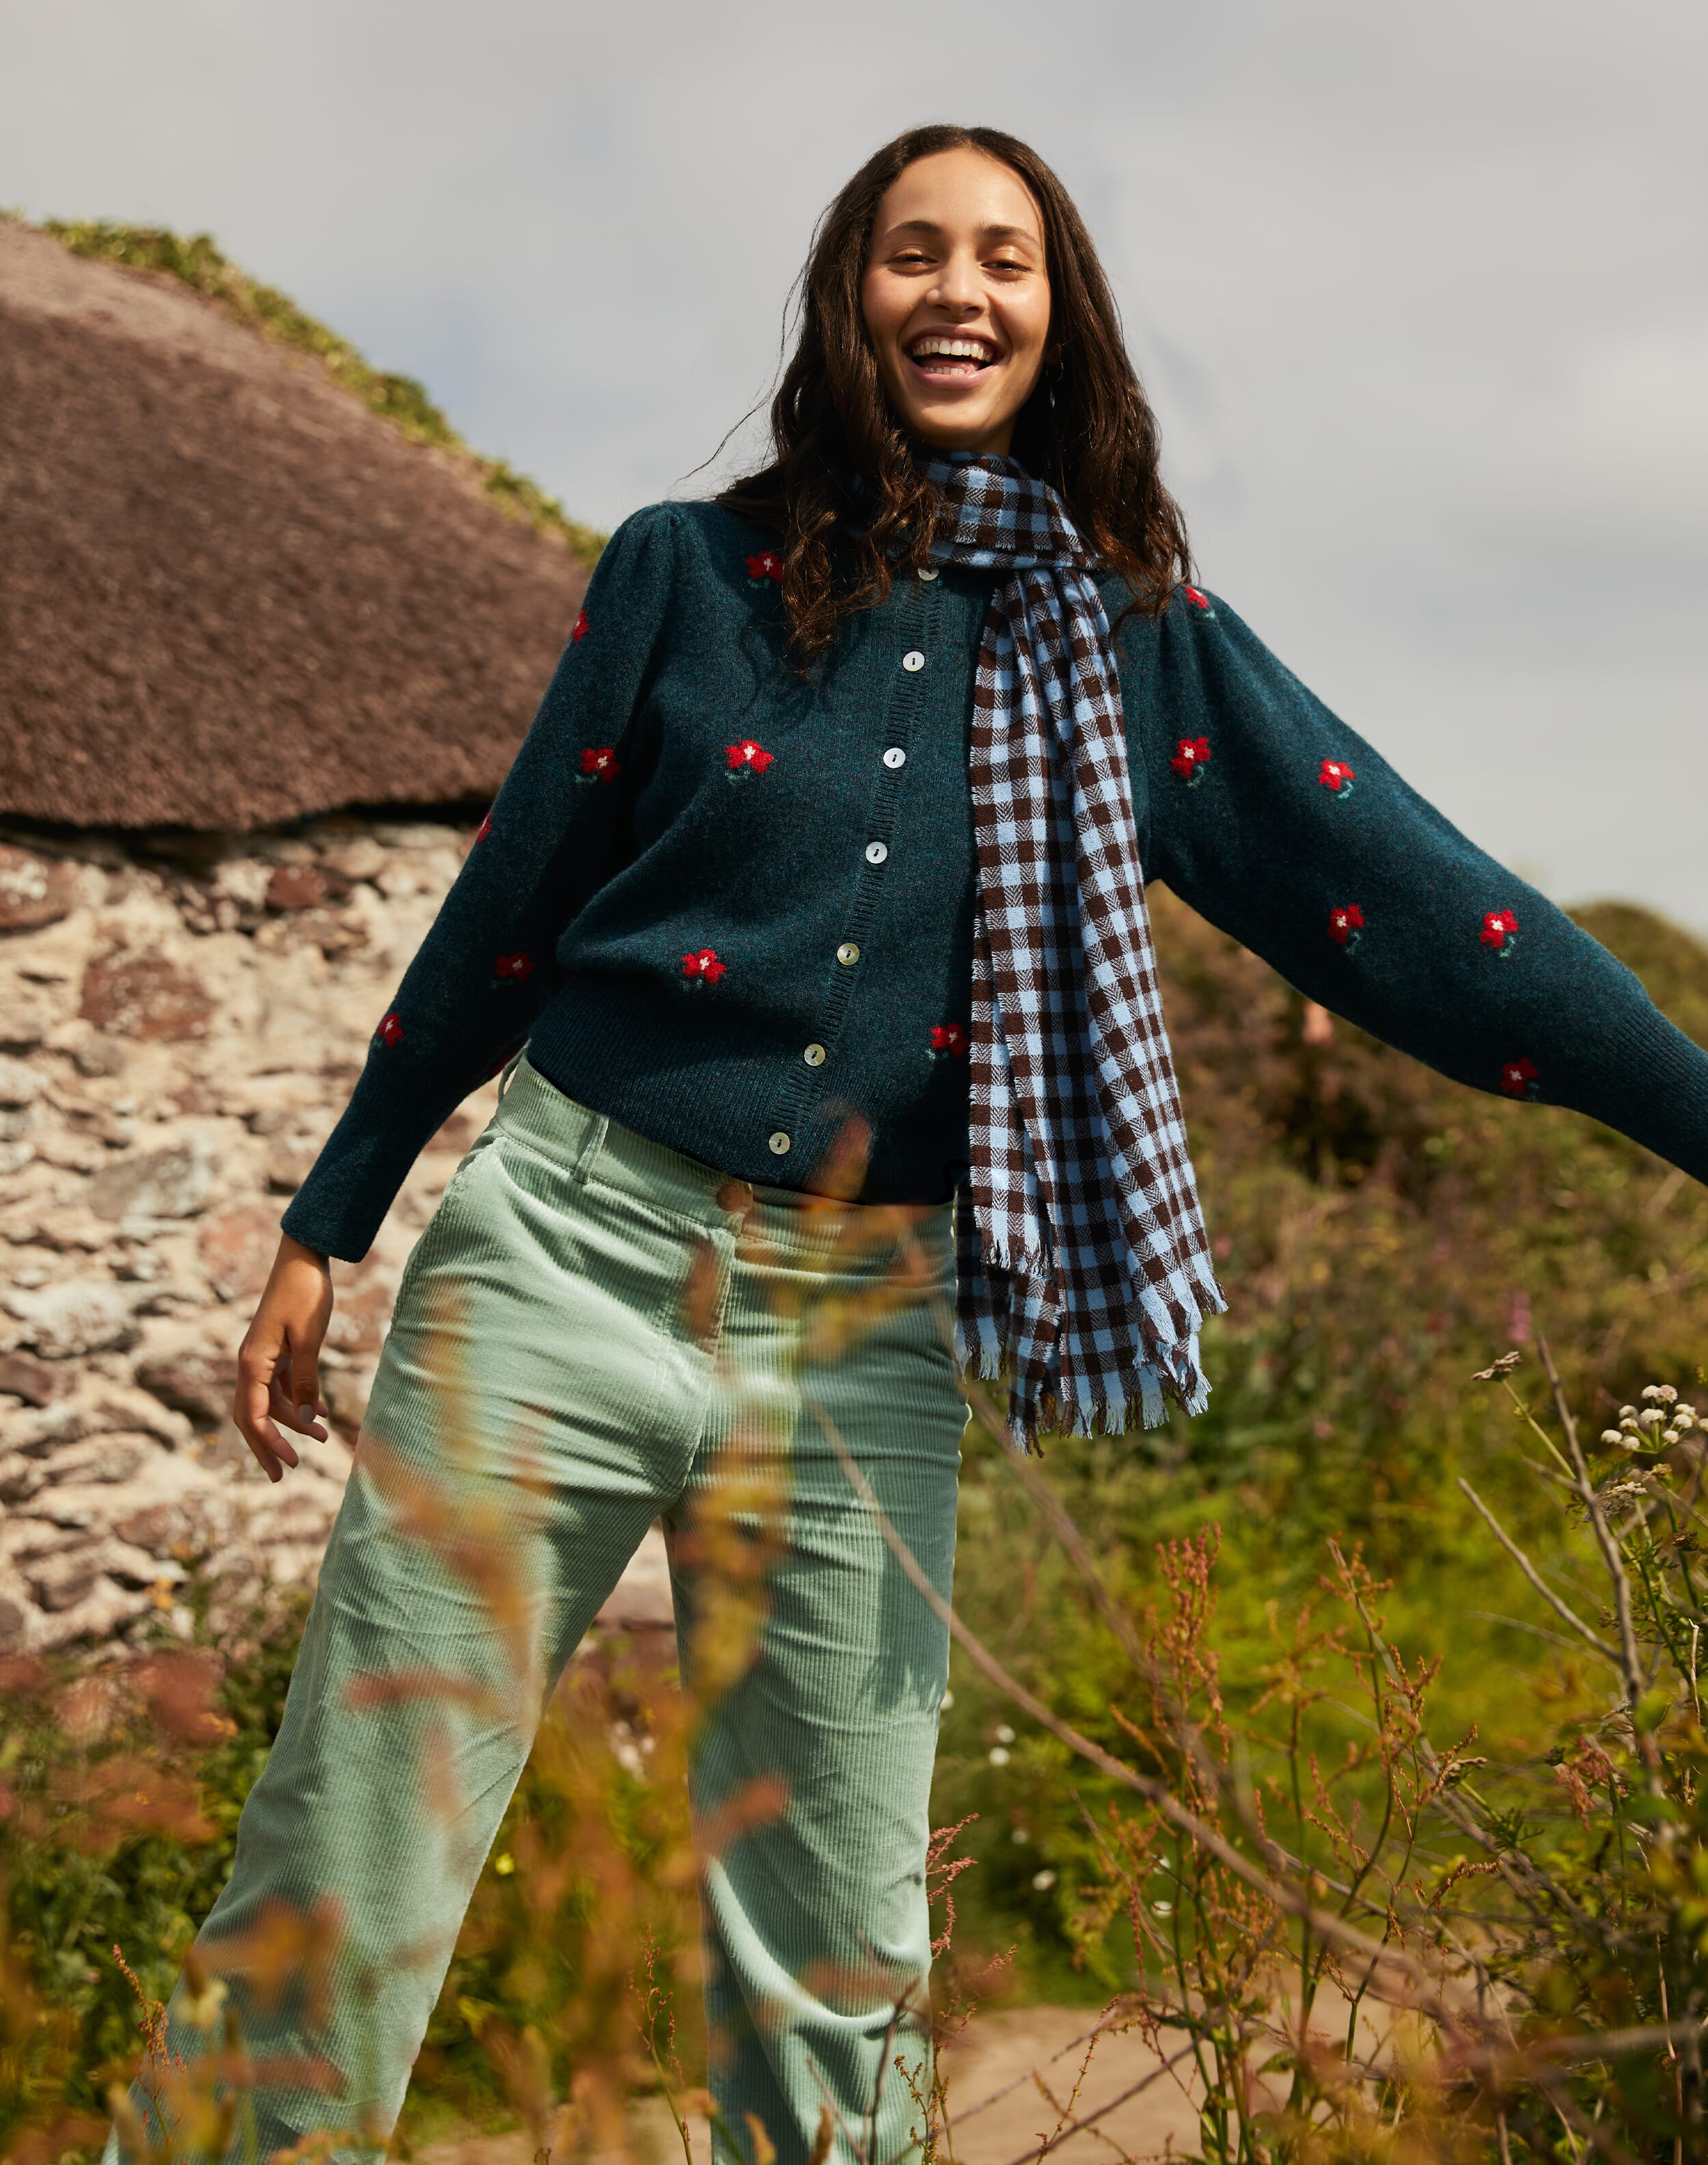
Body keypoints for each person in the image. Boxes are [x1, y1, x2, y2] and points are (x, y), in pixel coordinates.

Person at [113, 123, 1708, 2165]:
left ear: (1061, 319)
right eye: (910, 252)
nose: (958, 290)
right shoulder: (682, 574)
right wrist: (330, 1211)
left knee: (836, 1949)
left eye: (1006, 260)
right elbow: (512, 900)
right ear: (844, 297)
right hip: (561, 1264)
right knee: (354, 1866)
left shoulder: (1132, 642)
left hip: (863, 1339)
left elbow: (1417, 905)